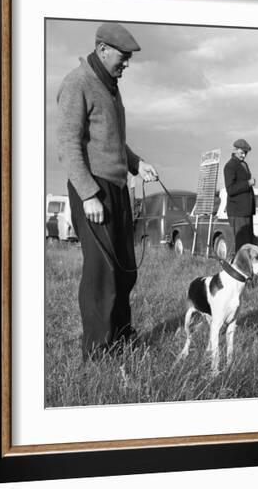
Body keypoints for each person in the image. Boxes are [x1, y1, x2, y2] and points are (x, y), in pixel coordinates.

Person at [56, 22, 158, 360]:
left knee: (125, 268)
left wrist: (136, 164)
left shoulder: (111, 86)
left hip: (116, 187)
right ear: (103, 49)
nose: (126, 63)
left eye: (128, 58)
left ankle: (122, 337)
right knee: (102, 272)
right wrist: (87, 194)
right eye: (123, 56)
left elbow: (113, 141)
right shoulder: (77, 83)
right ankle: (98, 351)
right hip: (94, 189)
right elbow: (68, 145)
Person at [223, 139, 257, 254]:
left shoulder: (244, 164)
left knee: (248, 244)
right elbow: (230, 189)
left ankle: (247, 268)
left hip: (246, 211)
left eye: (245, 153)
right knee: (241, 245)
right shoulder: (230, 166)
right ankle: (238, 268)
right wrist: (247, 183)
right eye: (242, 152)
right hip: (237, 212)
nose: (244, 155)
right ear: (234, 150)